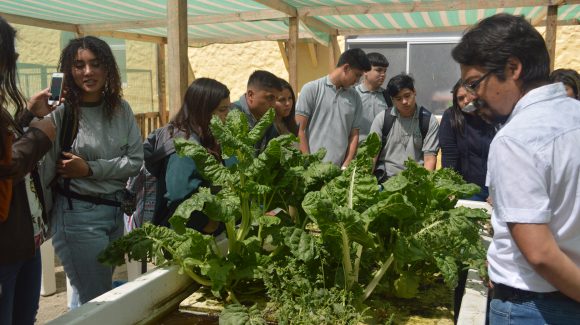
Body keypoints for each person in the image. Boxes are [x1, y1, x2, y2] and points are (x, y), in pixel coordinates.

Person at [452, 13, 580, 324]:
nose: (471, 97)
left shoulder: (516, 138)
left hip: (533, 309)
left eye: (474, 83)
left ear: (513, 68)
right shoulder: (575, 113)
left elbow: (539, 253)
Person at [42, 36, 143, 308]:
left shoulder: (120, 109)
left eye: (95, 64)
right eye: (79, 65)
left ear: (108, 67)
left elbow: (134, 161)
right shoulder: (60, 112)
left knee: (94, 298)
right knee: (96, 301)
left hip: (114, 212)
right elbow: (46, 169)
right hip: (78, 217)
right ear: (68, 70)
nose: (88, 72)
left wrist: (88, 169)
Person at [0, 17, 58, 325]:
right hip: (6, 246)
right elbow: (6, 165)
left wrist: (25, 117)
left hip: (23, 238)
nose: (14, 61)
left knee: (24, 316)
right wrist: (39, 137)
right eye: (9, 53)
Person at [145, 78, 230, 234]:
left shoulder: (200, 136)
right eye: (222, 110)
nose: (227, 115)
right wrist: (205, 223)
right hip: (185, 237)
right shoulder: (184, 145)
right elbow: (179, 196)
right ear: (204, 110)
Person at [296, 48, 371, 167]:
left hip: (337, 173)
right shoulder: (311, 89)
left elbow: (354, 134)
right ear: (346, 68)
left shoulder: (355, 97)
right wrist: (308, 164)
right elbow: (299, 130)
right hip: (310, 169)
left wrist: (346, 165)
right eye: (357, 75)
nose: (357, 81)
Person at [370, 74, 439, 181]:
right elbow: (372, 155)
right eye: (398, 98)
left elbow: (430, 159)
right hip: (385, 181)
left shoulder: (429, 120)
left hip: (415, 183)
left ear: (414, 92)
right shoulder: (382, 119)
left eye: (407, 96)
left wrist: (425, 186)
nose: (404, 102)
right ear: (392, 100)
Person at [439, 80, 495, 201]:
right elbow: (449, 156)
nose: (465, 101)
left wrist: (496, 190)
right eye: (460, 98)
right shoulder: (451, 117)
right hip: (465, 189)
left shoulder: (492, 116)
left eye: (468, 95)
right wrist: (449, 188)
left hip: (492, 188)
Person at [231, 70, 282, 152]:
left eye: (276, 99)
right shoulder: (230, 114)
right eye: (270, 97)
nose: (274, 104)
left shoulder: (267, 120)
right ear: (251, 95)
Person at [355, 52, 389, 143]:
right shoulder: (353, 94)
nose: (383, 74)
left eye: (385, 71)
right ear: (365, 71)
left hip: (381, 152)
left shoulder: (388, 97)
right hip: (355, 151)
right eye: (378, 70)